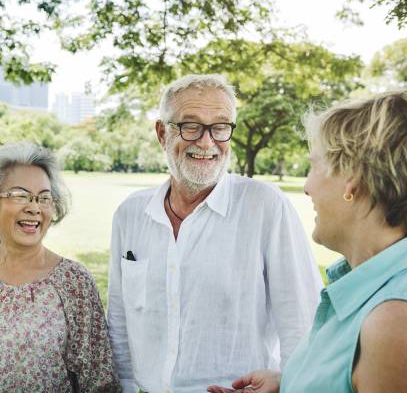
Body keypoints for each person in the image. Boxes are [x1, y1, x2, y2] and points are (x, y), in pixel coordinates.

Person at [208, 90, 407, 393]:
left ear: (352, 181)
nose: (308, 187)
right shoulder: (374, 289)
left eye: (314, 166)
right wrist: (289, 384)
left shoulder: (398, 324)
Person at [107, 74, 323, 393]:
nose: (207, 143)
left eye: (220, 127)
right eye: (190, 126)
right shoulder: (130, 214)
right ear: (162, 132)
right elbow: (120, 322)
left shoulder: (265, 206)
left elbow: (303, 324)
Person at [0, 142, 120, 392]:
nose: (34, 207)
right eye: (20, 195)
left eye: (44, 198)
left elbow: (99, 381)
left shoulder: (74, 282)